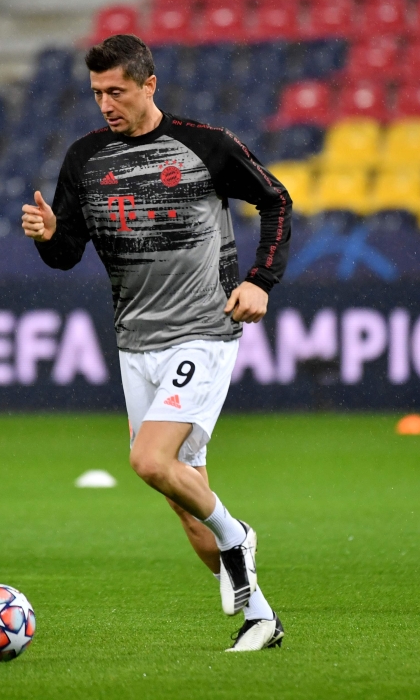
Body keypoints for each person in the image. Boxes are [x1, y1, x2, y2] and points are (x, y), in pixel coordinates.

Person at [21, 34, 291, 652]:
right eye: (97, 93)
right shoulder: (85, 159)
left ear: (149, 85)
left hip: (202, 329)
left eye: (116, 91)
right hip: (135, 341)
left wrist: (260, 280)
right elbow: (66, 255)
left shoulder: (206, 146)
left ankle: (237, 537)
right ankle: (261, 619)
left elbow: (276, 200)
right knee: (182, 502)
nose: (105, 104)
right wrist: (49, 234)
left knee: (148, 460)